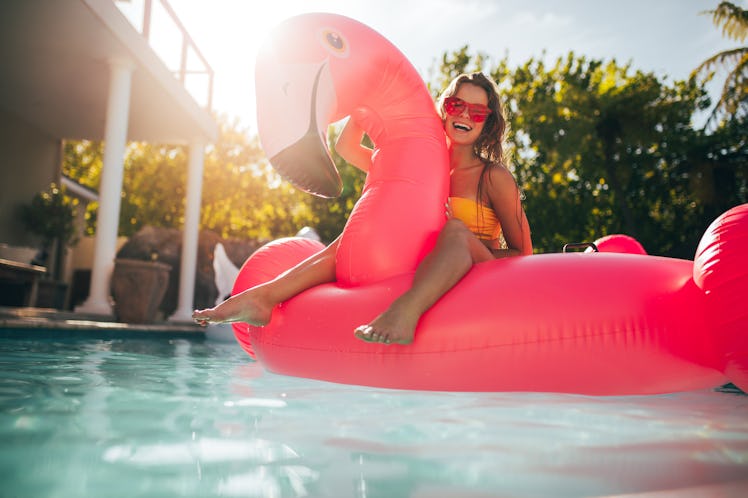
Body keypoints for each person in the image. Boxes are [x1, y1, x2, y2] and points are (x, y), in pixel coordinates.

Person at [192, 72, 532, 345]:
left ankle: (405, 314)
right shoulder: (421, 172)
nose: (465, 116)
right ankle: (264, 297)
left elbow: (523, 252)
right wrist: (367, 96)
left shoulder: (493, 176)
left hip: (476, 268)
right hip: (423, 266)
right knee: (356, 233)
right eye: (457, 105)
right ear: (443, 107)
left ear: (487, 123)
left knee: (455, 232)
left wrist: (472, 245)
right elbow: (348, 147)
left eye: (477, 112)